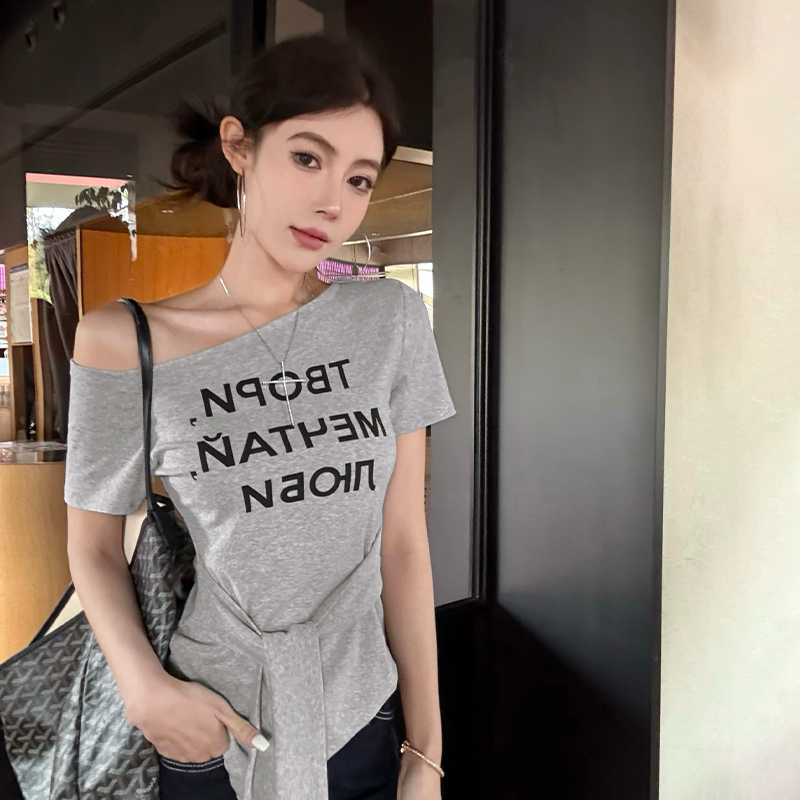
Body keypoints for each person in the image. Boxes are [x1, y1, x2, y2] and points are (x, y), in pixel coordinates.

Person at [63, 33, 456, 800]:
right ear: (239, 146)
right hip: (213, 724)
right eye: (307, 158)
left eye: (359, 179)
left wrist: (426, 752)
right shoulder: (123, 340)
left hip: (361, 718)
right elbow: (93, 546)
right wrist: (147, 692)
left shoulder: (390, 321)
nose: (332, 203)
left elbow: (404, 545)